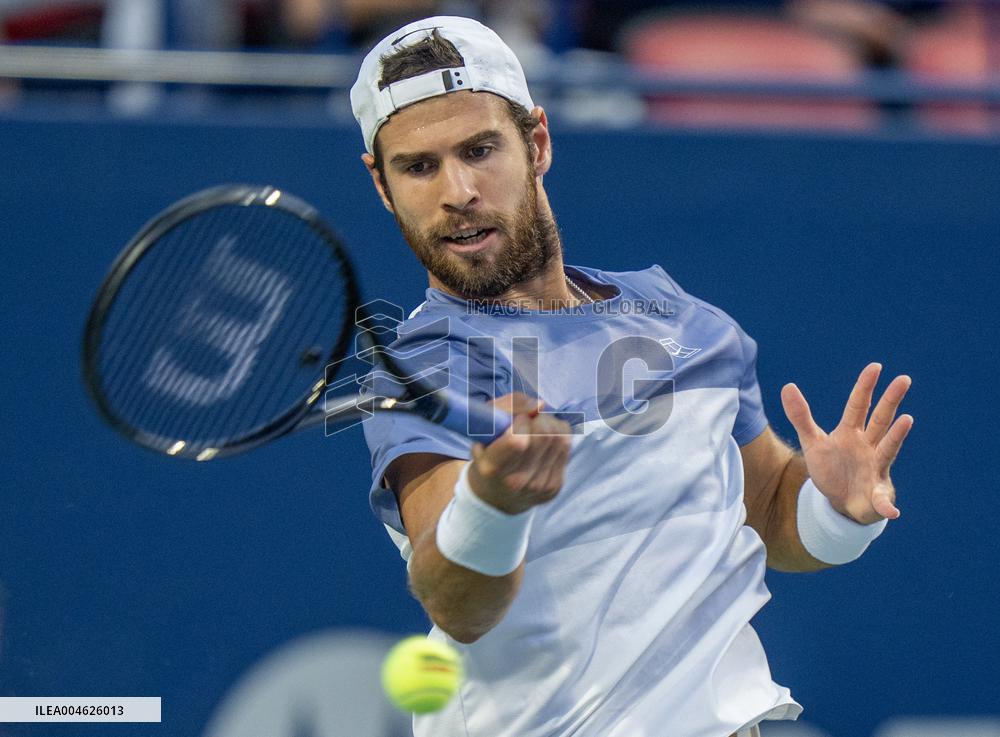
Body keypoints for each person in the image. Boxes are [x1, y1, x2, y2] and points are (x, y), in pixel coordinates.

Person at [351, 16, 913, 737]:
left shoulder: (681, 318)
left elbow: (769, 509)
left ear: (537, 142)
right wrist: (491, 505)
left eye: (479, 148)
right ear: (382, 183)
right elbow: (455, 599)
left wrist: (835, 511)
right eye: (419, 166)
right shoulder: (421, 368)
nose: (457, 190)